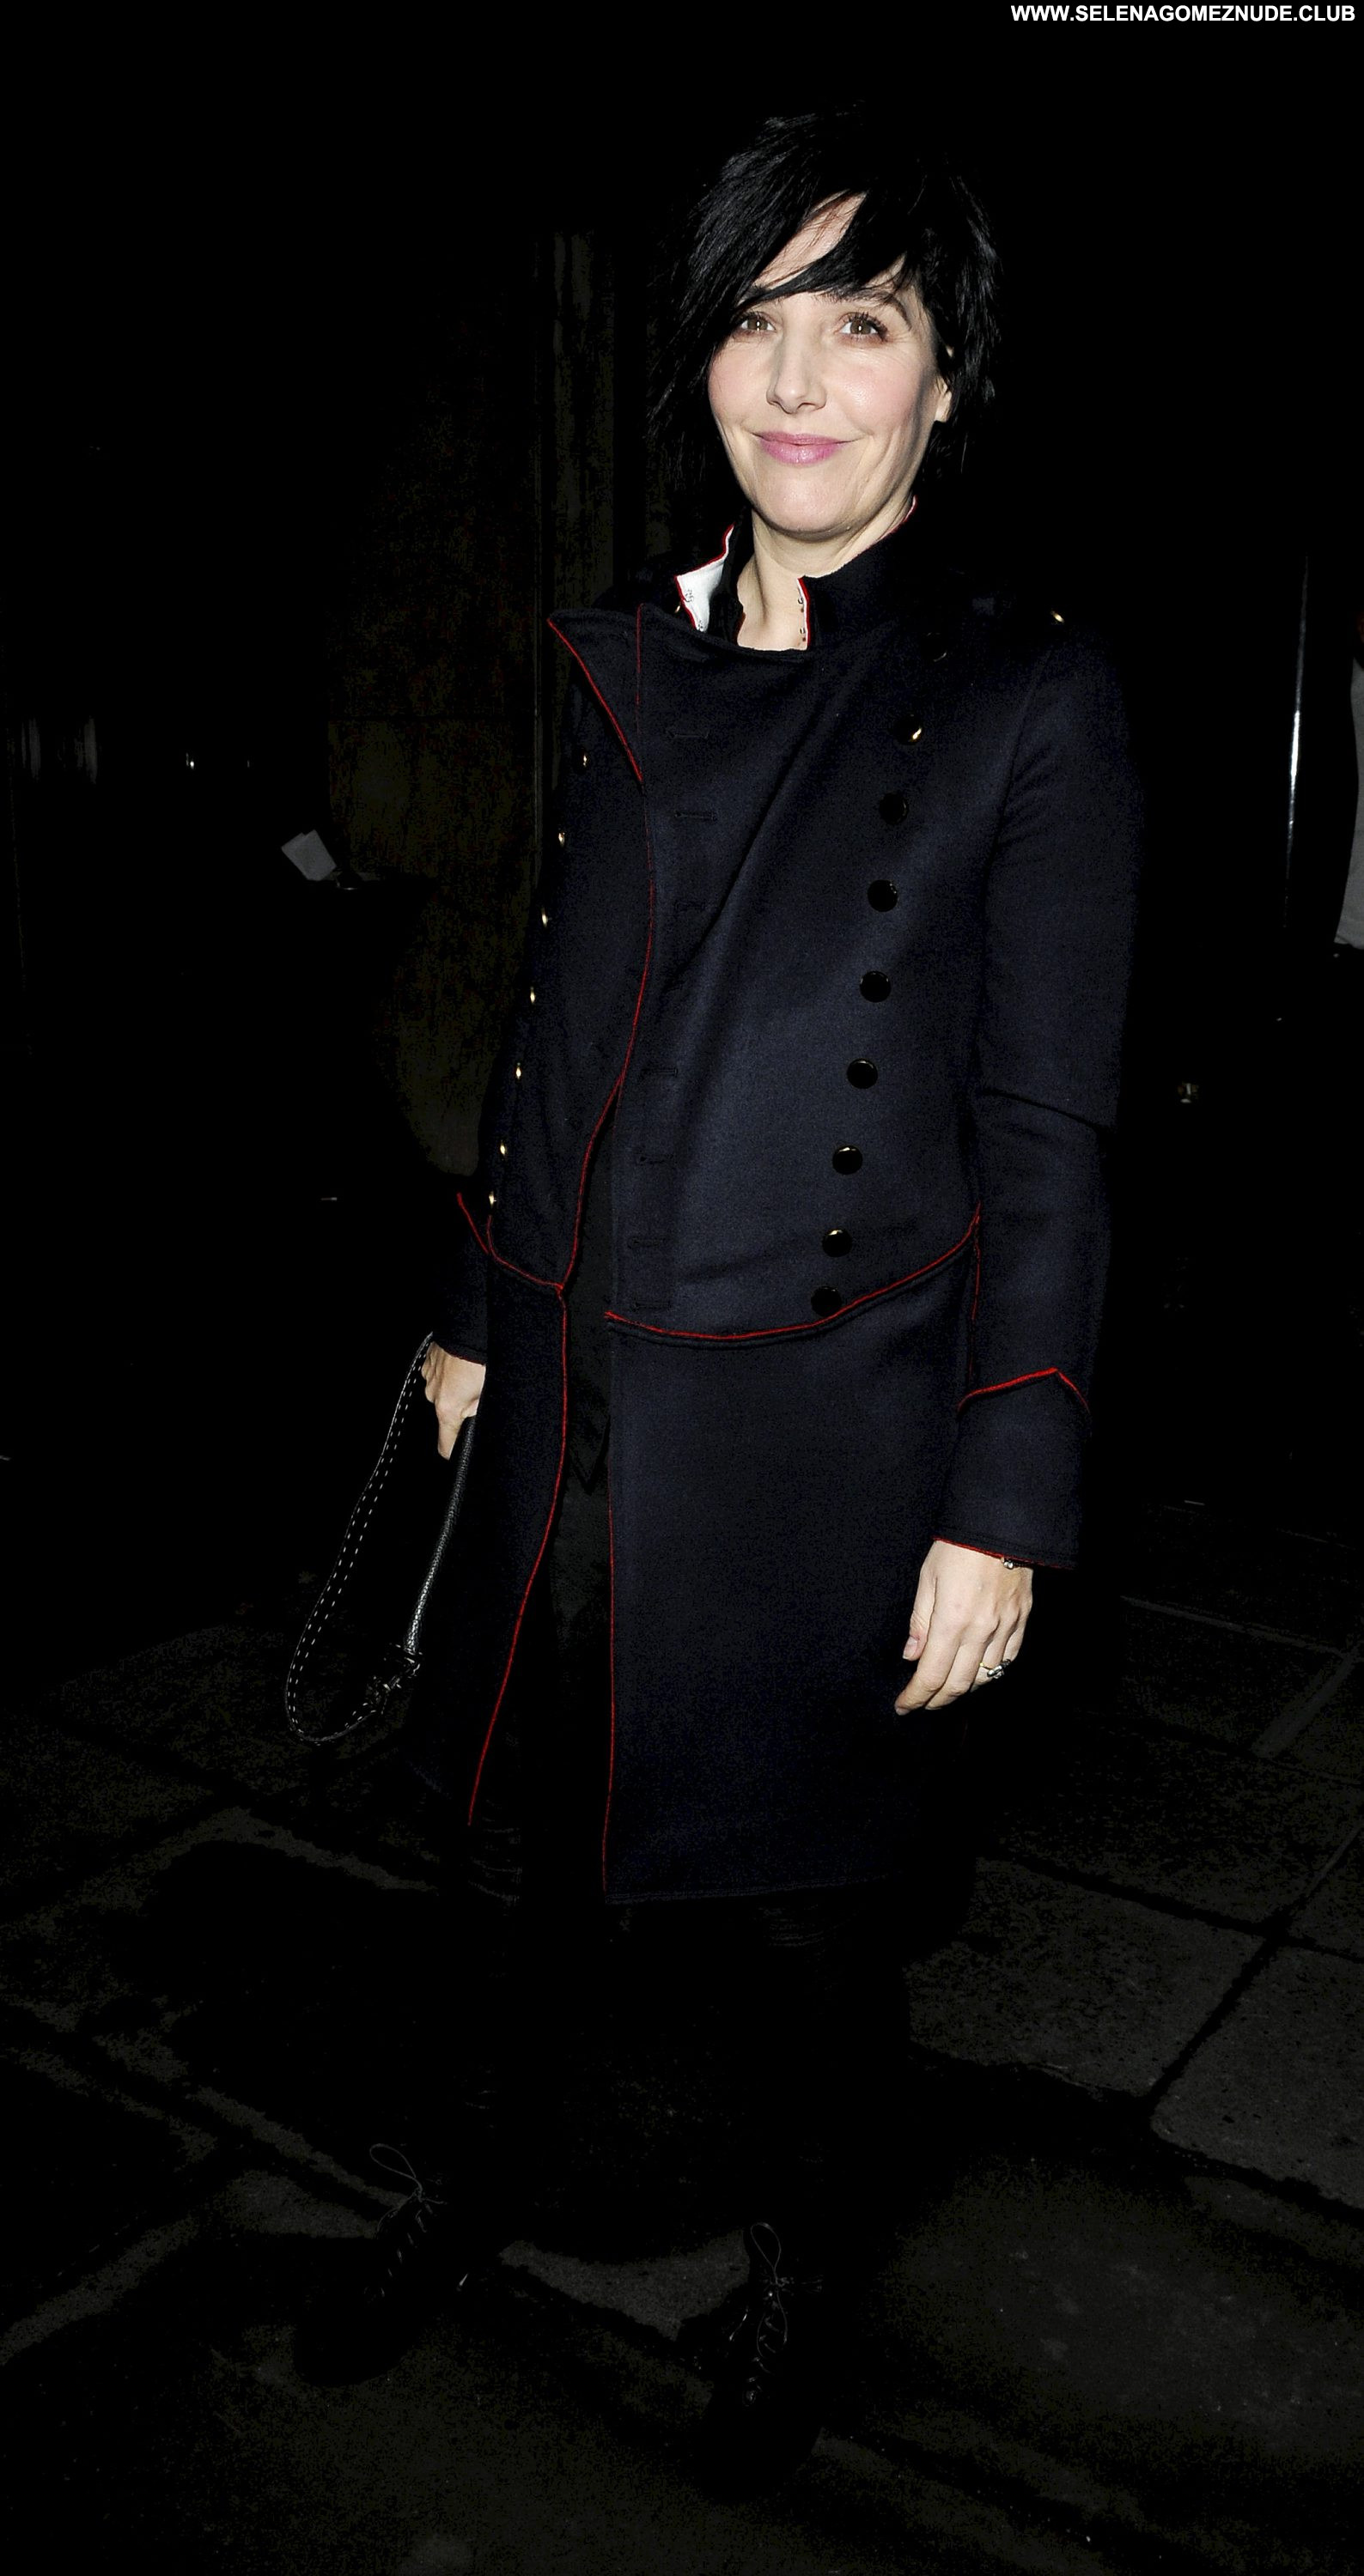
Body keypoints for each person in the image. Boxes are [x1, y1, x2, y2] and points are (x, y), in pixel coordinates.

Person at [295, 110, 1143, 2495]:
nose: (795, 382)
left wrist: (1006, 1492)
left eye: (858, 324)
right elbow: (555, 1021)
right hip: (570, 1391)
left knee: (800, 1935)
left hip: (829, 1431)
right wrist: (473, 1305)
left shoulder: (1028, 694)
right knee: (509, 1872)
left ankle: (798, 2273)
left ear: (944, 378)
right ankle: (458, 2183)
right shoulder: (622, 654)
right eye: (754, 323)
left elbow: (1050, 1130)